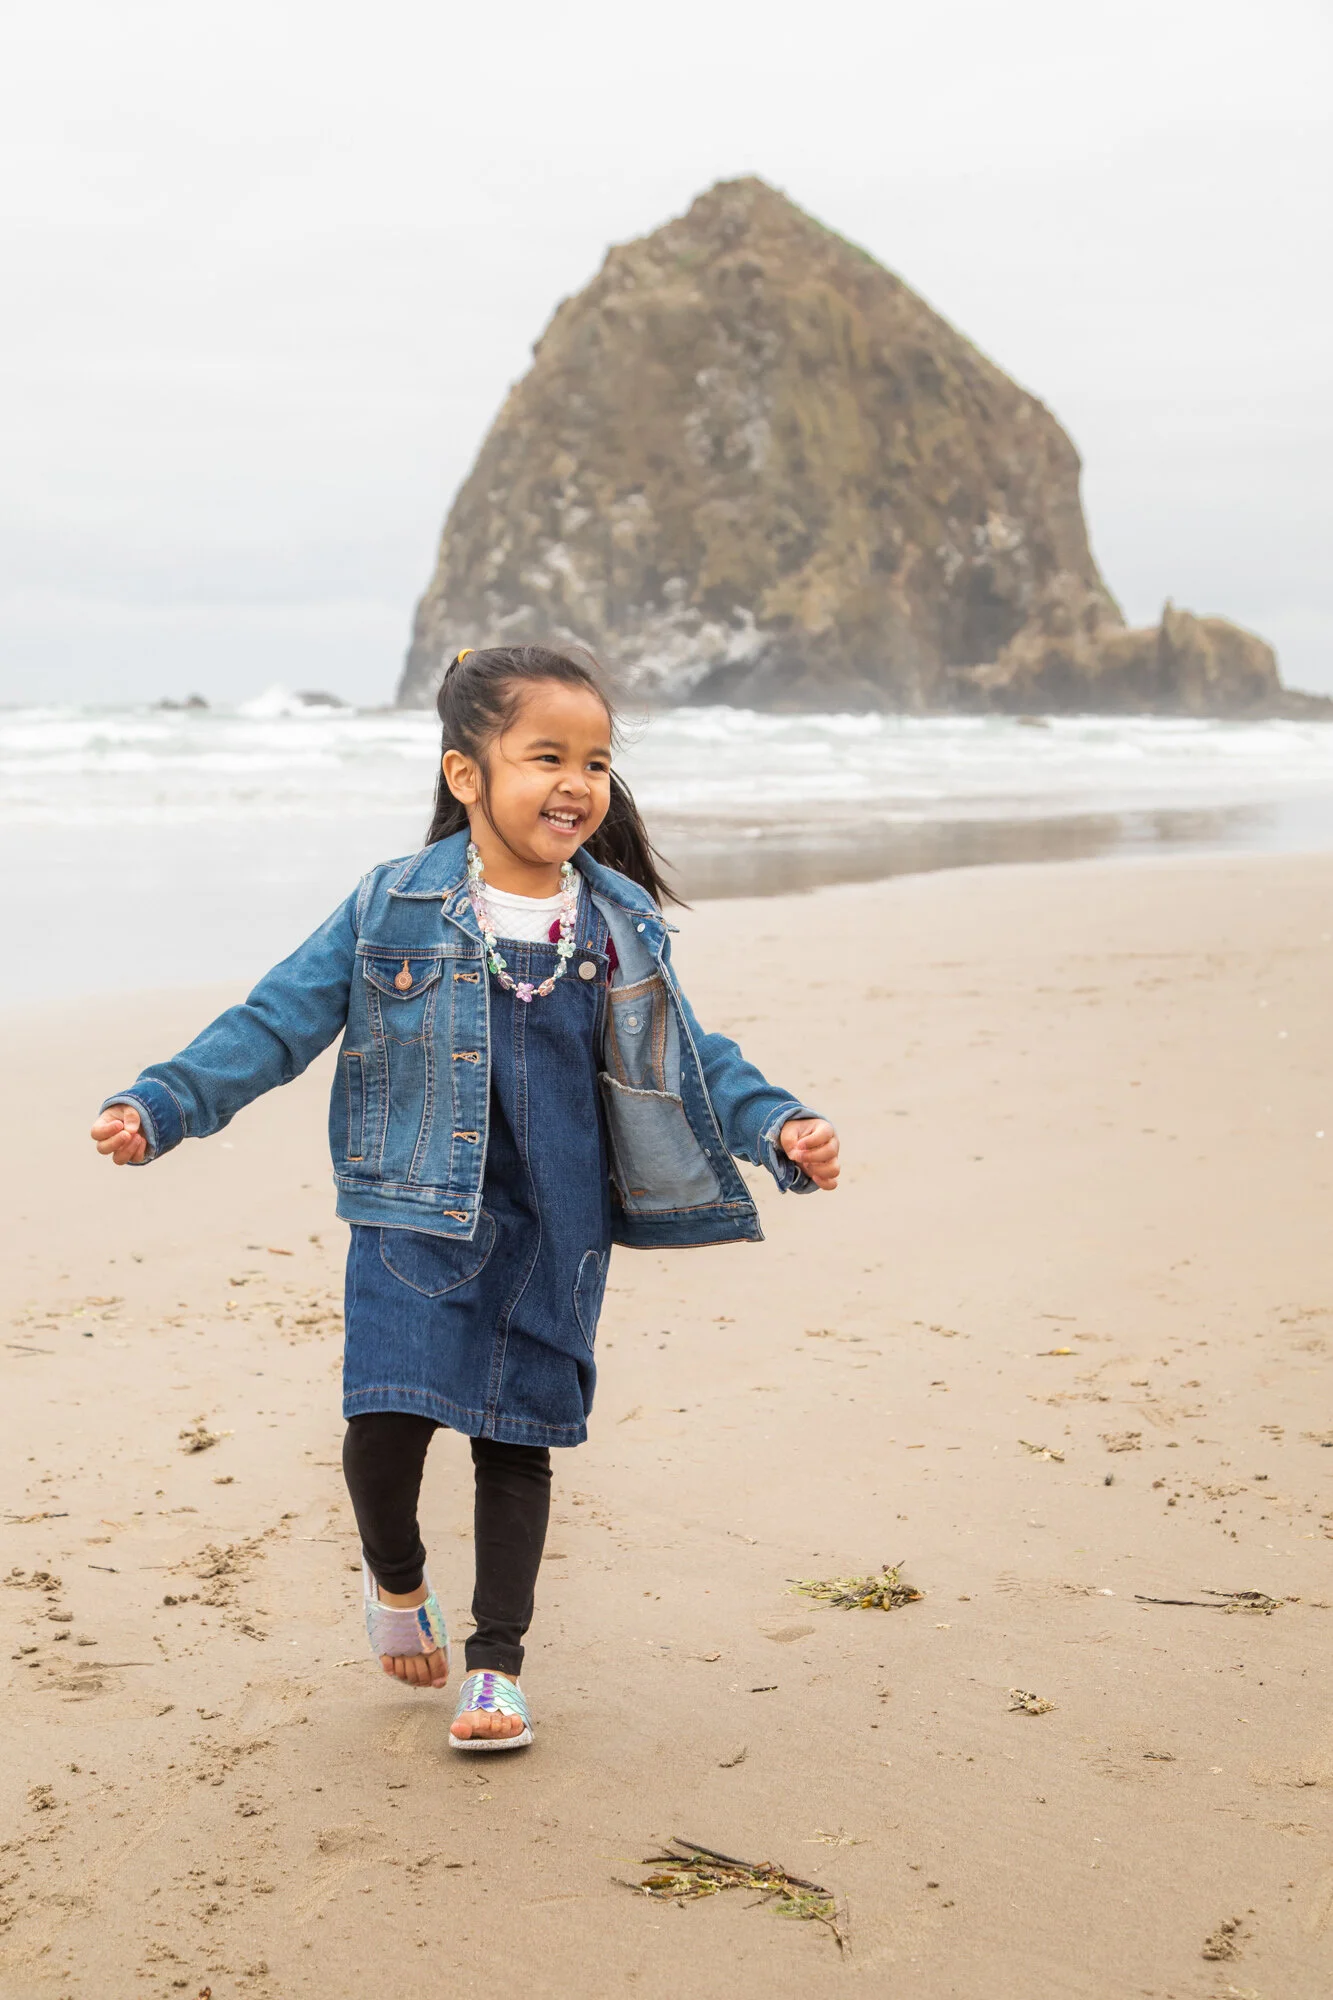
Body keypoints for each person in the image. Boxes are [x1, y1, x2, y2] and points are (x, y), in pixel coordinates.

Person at [90, 644, 840, 1751]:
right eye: (547, 756)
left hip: (557, 1227)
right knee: (384, 1426)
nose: (577, 783)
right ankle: (396, 1579)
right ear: (465, 773)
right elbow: (276, 1020)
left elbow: (686, 1056)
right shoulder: (389, 903)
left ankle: (497, 1665)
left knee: (514, 1443)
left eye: (595, 761)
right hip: (413, 1214)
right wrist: (163, 1103)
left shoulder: (615, 921)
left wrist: (775, 1124)